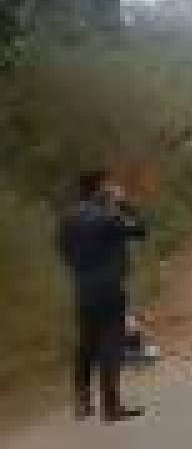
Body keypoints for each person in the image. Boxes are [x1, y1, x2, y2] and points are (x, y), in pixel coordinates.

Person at [57, 170, 148, 423]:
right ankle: (111, 406)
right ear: (100, 189)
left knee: (85, 343)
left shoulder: (67, 218)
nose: (113, 188)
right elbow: (141, 230)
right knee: (111, 343)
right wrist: (125, 204)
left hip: (83, 288)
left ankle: (82, 402)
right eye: (109, 186)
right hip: (110, 287)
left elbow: (63, 250)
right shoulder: (109, 216)